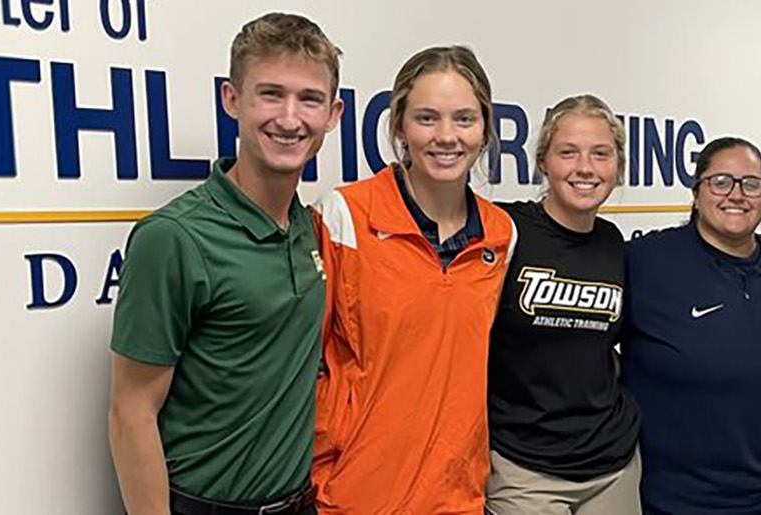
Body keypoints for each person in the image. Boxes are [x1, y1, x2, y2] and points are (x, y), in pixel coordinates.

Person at [107, 12, 341, 515]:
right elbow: (131, 414)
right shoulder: (173, 238)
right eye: (270, 93)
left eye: (309, 99)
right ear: (232, 100)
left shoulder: (308, 229)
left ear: (334, 114)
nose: (289, 117)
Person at [309, 45, 516, 515]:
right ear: (400, 124)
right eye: (427, 118)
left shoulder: (501, 234)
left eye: (464, 119)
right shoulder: (344, 215)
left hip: (456, 497)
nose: (446, 136)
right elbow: (304, 363)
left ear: (485, 129)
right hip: (355, 495)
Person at [622, 137, 761, 515]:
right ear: (696, 193)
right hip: (676, 500)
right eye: (721, 181)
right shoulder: (645, 262)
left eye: (751, 184)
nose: (737, 194)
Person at [486, 94, 643, 514]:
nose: (585, 168)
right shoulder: (506, 230)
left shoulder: (614, 243)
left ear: (617, 166)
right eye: (568, 152)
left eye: (601, 154)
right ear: (543, 161)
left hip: (612, 465)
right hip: (524, 469)